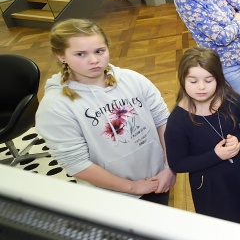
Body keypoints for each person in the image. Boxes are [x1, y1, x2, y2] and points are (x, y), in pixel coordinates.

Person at [35, 19, 175, 204]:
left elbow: (163, 121)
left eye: (99, 51)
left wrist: (169, 167)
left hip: (159, 179)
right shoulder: (55, 107)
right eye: (80, 54)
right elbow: (77, 164)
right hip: (114, 196)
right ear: (61, 56)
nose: (93, 60)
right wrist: (132, 187)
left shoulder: (133, 79)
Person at [165, 48, 240, 229]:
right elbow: (178, 163)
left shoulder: (231, 99)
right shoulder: (177, 120)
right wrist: (216, 155)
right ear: (182, 80)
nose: (201, 87)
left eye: (208, 80)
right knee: (226, 229)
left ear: (218, 78)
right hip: (213, 186)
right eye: (193, 81)